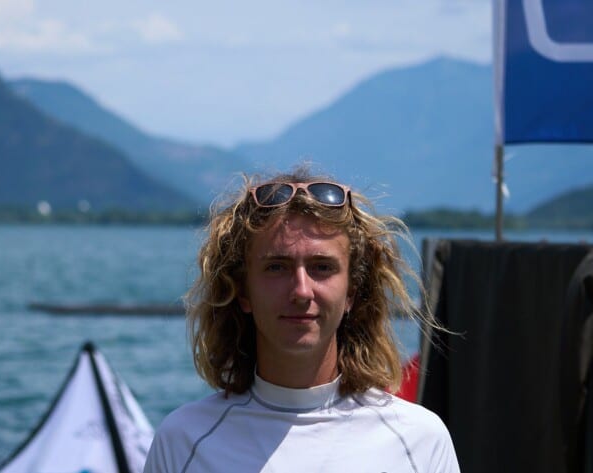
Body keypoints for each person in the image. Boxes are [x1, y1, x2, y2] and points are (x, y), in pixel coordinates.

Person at [143, 167, 459, 472]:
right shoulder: (184, 441)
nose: (301, 291)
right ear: (242, 291)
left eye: (322, 267)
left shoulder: (418, 440)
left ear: (352, 291)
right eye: (277, 267)